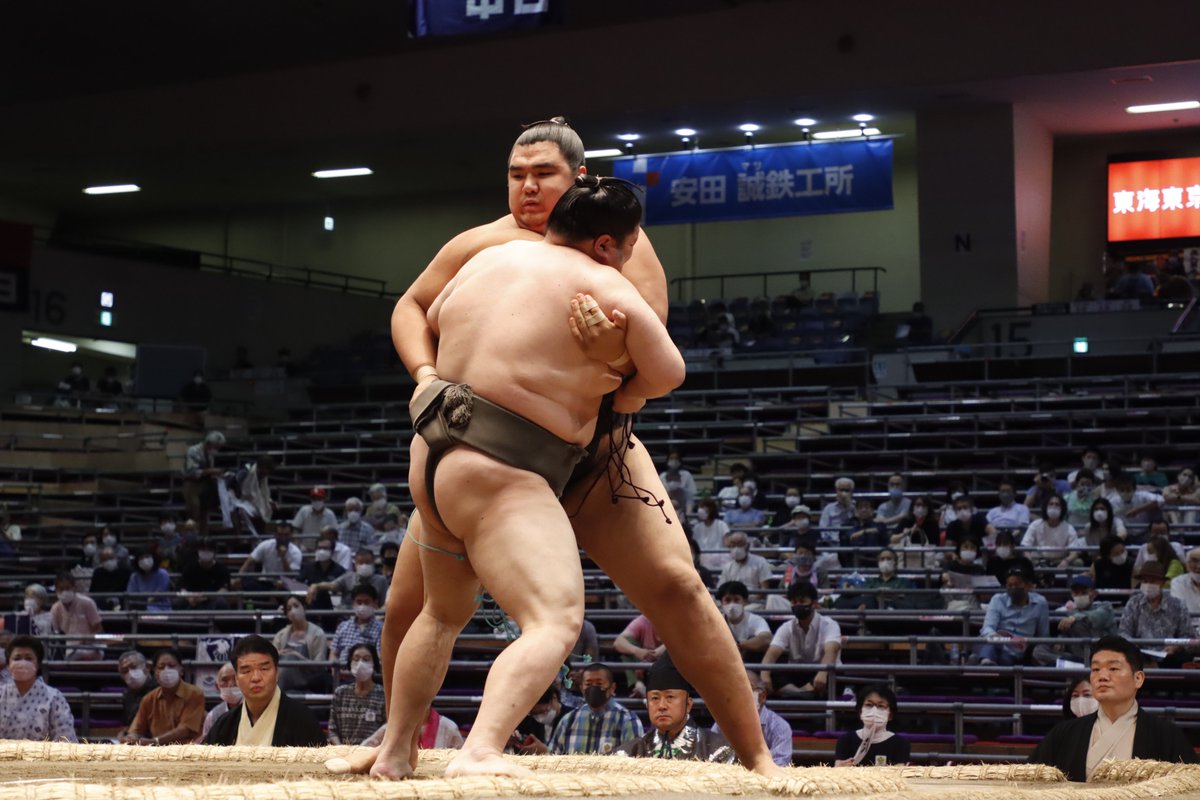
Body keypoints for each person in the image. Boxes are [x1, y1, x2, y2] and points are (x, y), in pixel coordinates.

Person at [359, 119, 779, 780]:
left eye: (543, 175)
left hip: (591, 449)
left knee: (676, 585)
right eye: (516, 175)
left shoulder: (621, 255)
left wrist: (611, 355)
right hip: (486, 445)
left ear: (577, 179)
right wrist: (426, 375)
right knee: (410, 608)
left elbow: (647, 375)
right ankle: (396, 744)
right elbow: (413, 308)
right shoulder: (483, 243)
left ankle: (757, 756)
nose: (527, 187)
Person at [369, 176, 687, 780]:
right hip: (500, 467)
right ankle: (482, 747)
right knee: (556, 619)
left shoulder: (488, 258)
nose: (630, 256)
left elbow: (429, 314)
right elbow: (669, 371)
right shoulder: (603, 284)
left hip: (431, 456)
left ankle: (394, 752)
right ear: (602, 245)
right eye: (627, 245)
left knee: (440, 613)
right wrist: (625, 382)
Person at [1029, 635, 1198, 781]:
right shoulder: (1064, 734)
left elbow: (1190, 786)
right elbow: (1032, 780)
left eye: (1113, 668)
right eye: (1095, 669)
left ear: (1138, 678)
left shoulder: (1165, 735)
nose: (1102, 676)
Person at [203, 635, 326, 746]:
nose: (256, 678)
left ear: (277, 673)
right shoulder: (225, 725)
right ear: (237, 679)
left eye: (264, 669)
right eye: (246, 671)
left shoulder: (302, 719)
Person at [614, 652, 736, 763]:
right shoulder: (628, 754)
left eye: (670, 697)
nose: (661, 706)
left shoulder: (719, 751)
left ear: (688, 704)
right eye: (655, 698)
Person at [761, 581, 841, 697]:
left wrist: (822, 673)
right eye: (794, 602)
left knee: (832, 675)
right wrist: (765, 676)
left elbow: (831, 651)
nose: (798, 605)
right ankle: (802, 694)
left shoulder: (829, 624)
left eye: (802, 601)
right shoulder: (787, 627)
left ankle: (793, 694)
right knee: (771, 670)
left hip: (822, 672)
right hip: (797, 673)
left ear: (813, 603)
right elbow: (772, 652)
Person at [547, 663, 643, 755]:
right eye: (588, 684)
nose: (593, 688)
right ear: (581, 688)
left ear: (612, 688)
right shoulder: (568, 720)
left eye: (599, 683)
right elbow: (553, 758)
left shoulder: (627, 720)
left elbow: (635, 761)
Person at [0, 635, 77, 742]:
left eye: (28, 658)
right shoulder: (1, 694)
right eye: (17, 658)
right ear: (8, 665)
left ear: (37, 665)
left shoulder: (53, 697)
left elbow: (65, 737)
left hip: (42, 757)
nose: (23, 663)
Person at [969, 565, 1049, 666]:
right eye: (1009, 585)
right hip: (994, 641)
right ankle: (986, 661)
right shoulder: (998, 599)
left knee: (1004, 659)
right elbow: (987, 628)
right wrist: (1000, 639)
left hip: (1015, 652)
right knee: (988, 645)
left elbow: (1043, 635)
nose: (1013, 589)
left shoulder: (1040, 603)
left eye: (1016, 585)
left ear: (1028, 586)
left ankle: (982, 661)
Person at [122, 648, 205, 745]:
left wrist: (155, 741)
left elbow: (185, 729)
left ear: (181, 670)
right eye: (161, 667)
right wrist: (131, 738)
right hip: (157, 753)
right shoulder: (148, 699)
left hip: (188, 751)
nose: (166, 670)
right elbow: (136, 729)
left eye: (171, 666)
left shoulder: (195, 694)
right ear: (155, 673)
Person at [1118, 561, 1192, 667]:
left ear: (1162, 582)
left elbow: (1187, 635)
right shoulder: (1133, 603)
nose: (1148, 585)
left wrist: (1175, 646)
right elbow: (1123, 632)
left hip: (1170, 656)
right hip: (1139, 654)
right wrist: (1135, 648)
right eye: (1145, 581)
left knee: (1183, 658)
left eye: (1153, 581)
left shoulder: (1177, 605)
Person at [712, 671, 793, 767]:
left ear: (762, 696)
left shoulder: (780, 727)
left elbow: (780, 766)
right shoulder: (722, 722)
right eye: (736, 688)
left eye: (747, 688)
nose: (739, 694)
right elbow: (713, 761)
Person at [1031, 576, 1116, 666]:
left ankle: (1079, 667)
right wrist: (1061, 640)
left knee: (1078, 623)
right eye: (1076, 593)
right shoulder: (1071, 613)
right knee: (1040, 650)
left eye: (1084, 592)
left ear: (1094, 594)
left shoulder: (1105, 606)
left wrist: (1075, 617)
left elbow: (1097, 617)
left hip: (1104, 655)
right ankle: (1078, 667)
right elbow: (1067, 633)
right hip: (1077, 656)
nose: (1079, 596)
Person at [833, 684, 909, 767]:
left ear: (890, 715)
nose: (874, 711)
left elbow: (898, 774)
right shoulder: (845, 740)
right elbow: (838, 769)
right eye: (869, 705)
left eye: (881, 706)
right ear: (860, 712)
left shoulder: (900, 743)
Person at [328, 643, 385, 745]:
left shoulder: (383, 695)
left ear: (374, 663)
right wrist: (341, 749)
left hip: (372, 754)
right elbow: (332, 730)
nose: (360, 663)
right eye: (356, 659)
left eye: (366, 659)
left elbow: (387, 728)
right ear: (350, 663)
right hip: (342, 753)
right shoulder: (340, 693)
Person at [273, 595, 330, 692]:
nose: (293, 610)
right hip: (282, 676)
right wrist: (279, 654)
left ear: (304, 607)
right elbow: (271, 659)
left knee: (290, 658)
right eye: (289, 608)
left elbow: (319, 665)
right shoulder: (281, 635)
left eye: (296, 606)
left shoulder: (317, 633)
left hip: (309, 678)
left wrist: (297, 657)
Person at [49, 572, 104, 661]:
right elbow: (56, 633)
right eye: (61, 589)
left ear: (74, 588)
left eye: (67, 588)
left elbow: (98, 628)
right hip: (67, 649)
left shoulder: (87, 603)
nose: (64, 592)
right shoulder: (55, 608)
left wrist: (87, 640)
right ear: (56, 590)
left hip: (90, 646)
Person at [238, 521, 303, 593]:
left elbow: (292, 576)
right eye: (280, 535)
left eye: (286, 535)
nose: (283, 538)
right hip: (265, 582)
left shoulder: (296, 552)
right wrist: (238, 578)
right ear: (275, 535)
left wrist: (283, 558)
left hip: (284, 585)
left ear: (291, 535)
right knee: (246, 582)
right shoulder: (266, 545)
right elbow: (249, 561)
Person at [182, 430, 225, 534]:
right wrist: (212, 471)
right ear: (209, 443)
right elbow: (192, 471)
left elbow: (208, 470)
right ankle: (191, 538)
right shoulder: (193, 450)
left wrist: (215, 474)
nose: (217, 449)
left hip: (205, 485)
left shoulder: (210, 454)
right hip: (192, 484)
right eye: (216, 446)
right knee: (193, 513)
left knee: (204, 514)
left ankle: (204, 538)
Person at [328, 583, 383, 665]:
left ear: (375, 603)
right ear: (353, 604)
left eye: (367, 602)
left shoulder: (381, 629)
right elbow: (333, 653)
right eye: (359, 602)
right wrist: (335, 671)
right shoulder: (342, 626)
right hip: (342, 675)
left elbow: (380, 658)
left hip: (369, 675)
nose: (362, 606)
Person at [717, 581, 772, 657]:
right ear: (721, 602)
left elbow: (766, 639)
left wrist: (739, 645)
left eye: (736, 600)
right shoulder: (715, 622)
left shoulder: (756, 620)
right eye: (727, 600)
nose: (732, 605)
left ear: (745, 601)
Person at [228, 455, 276, 538]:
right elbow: (233, 482)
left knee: (264, 509)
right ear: (262, 467)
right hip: (235, 497)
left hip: (250, 498)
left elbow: (263, 492)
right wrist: (238, 495)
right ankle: (239, 536)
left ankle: (260, 534)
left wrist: (269, 501)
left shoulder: (262, 476)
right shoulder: (246, 471)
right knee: (240, 510)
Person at [1021, 494, 1077, 565]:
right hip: (1038, 560)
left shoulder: (1069, 528)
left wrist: (1066, 561)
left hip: (1060, 561)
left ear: (1062, 508)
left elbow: (1075, 552)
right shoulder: (1035, 524)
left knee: (1078, 562)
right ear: (1046, 507)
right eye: (1051, 504)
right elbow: (1025, 547)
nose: (1054, 507)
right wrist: (1030, 561)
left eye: (1057, 505)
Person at [717, 531, 773, 598]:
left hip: (755, 602)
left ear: (747, 546)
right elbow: (721, 589)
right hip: (733, 601)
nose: (736, 548)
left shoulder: (760, 562)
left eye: (740, 544)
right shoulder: (727, 567)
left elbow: (764, 588)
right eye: (733, 545)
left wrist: (749, 601)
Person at [200, 662, 242, 741]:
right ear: (217, 686)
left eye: (236, 679)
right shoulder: (213, 716)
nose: (231, 684)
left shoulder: (255, 709)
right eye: (225, 680)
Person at [117, 650, 157, 732]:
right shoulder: (127, 695)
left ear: (147, 668)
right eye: (125, 671)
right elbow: (130, 723)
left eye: (133, 667)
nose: (130, 673)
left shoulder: (160, 690)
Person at [691, 498, 730, 571]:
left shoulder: (722, 525)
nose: (700, 510)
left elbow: (727, 542)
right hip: (702, 558)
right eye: (700, 507)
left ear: (711, 510)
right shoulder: (697, 527)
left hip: (720, 557)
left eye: (703, 507)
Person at [1168, 547, 1200, 633]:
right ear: (1187, 565)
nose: (1198, 566)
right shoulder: (1178, 582)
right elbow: (1178, 612)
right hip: (1186, 632)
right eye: (1194, 561)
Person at [90, 544, 131, 610]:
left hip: (123, 604)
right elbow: (93, 593)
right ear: (101, 562)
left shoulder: (126, 572)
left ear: (116, 558)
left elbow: (128, 591)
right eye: (105, 559)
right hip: (102, 605)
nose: (108, 561)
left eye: (110, 558)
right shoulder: (98, 573)